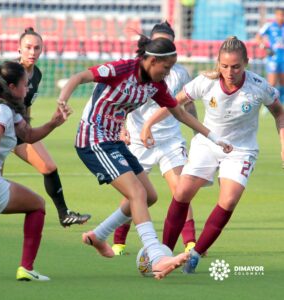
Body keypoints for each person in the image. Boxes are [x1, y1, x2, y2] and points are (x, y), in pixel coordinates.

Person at [57, 35, 231, 280]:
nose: (169, 73)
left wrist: (214, 137)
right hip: (93, 137)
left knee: (149, 196)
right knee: (136, 193)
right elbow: (80, 77)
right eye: (166, 67)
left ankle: (98, 235)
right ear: (151, 60)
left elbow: (180, 113)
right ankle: (157, 257)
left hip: (113, 140)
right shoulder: (121, 69)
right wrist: (62, 99)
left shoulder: (155, 85)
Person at [146, 36, 284, 273]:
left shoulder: (259, 87)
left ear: (247, 63)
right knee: (182, 192)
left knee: (228, 200)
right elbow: (174, 103)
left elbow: (280, 114)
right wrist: (148, 124)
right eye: (225, 66)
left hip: (241, 150)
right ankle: (164, 253)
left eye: (236, 66)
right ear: (218, 63)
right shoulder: (205, 82)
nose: (230, 72)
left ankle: (195, 255)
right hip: (208, 142)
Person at [111, 21, 198, 256]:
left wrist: (198, 133)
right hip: (139, 141)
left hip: (170, 140)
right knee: (135, 194)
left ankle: (190, 242)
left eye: (168, 43)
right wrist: (121, 128)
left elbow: (186, 105)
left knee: (181, 191)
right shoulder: (136, 70)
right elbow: (121, 102)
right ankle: (119, 241)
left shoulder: (179, 73)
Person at [0, 61, 72, 280]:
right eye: (24, 84)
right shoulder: (2, 112)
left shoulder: (0, 109)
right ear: (12, 88)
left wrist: (53, 123)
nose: (28, 88)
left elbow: (29, 136)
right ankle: (27, 268)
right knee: (37, 205)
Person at [12, 27, 90, 227]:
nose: (32, 52)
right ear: (18, 49)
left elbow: (26, 107)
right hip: (0, 132)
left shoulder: (36, 74)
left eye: (37, 48)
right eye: (28, 47)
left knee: (49, 167)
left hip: (20, 132)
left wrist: (28, 129)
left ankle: (64, 215)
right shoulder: (11, 72)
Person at [256, 7, 284, 108]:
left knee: (282, 82)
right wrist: (265, 47)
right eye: (279, 15)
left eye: (282, 15)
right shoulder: (270, 26)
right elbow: (258, 37)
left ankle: (279, 103)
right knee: (271, 83)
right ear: (276, 15)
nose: (281, 17)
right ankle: (267, 105)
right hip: (273, 59)